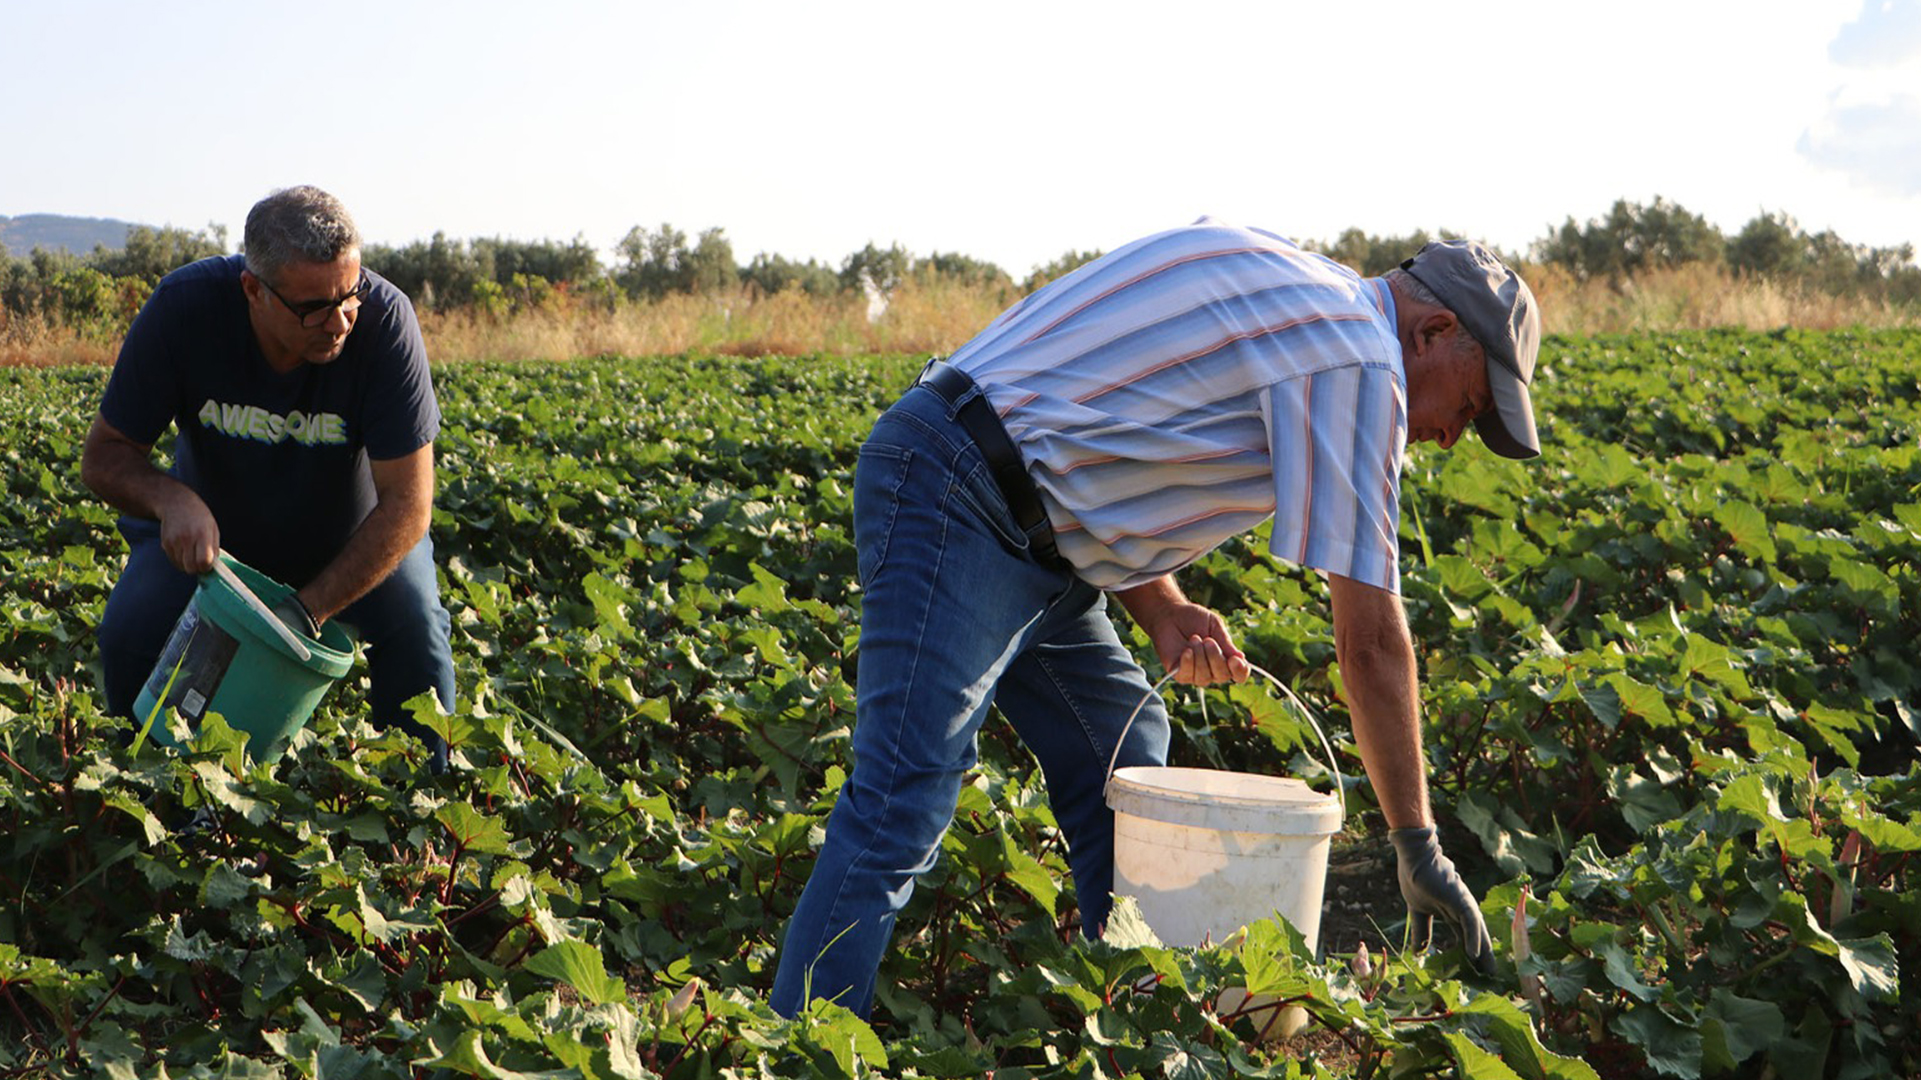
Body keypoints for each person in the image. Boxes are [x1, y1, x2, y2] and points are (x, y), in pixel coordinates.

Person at [771, 218, 1539, 1018]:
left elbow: (1095, 423)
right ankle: (798, 1048)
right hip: (957, 492)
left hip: (1027, 517)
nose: (1451, 436)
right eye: (1470, 404)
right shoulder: (1358, 357)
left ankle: (1138, 1028)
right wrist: (1415, 843)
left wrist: (1163, 605)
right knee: (902, 799)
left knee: (1124, 762)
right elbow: (1372, 643)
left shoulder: (1297, 287)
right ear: (1434, 330)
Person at [81, 185, 454, 763]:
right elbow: (104, 455)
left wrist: (305, 611)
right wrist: (171, 499)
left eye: (349, 295)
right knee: (132, 631)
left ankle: (421, 804)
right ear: (253, 290)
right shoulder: (186, 310)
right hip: (216, 549)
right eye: (314, 308)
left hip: (353, 540)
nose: (340, 323)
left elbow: (408, 503)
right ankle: (149, 791)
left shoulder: (385, 323)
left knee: (417, 633)